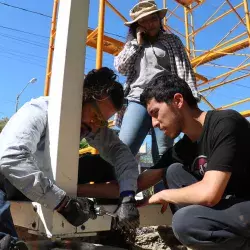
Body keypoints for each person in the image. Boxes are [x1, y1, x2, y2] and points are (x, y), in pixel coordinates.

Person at [0, 67, 139, 250]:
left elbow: (120, 153)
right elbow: (10, 157)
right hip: (13, 180)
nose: (94, 125)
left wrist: (128, 196)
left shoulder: (89, 123)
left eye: (101, 122)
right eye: (95, 116)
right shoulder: (39, 110)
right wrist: (62, 203)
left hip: (53, 180)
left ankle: (113, 234)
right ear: (82, 97)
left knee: (102, 165)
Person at [137, 71, 250, 249]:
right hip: (233, 208)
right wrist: (80, 187)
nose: (154, 123)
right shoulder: (185, 147)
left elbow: (209, 194)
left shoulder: (226, 123)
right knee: (173, 171)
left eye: (155, 112)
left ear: (178, 101)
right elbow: (141, 181)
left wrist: (163, 194)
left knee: (186, 222)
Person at [114, 0, 199, 171]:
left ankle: (163, 196)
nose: (149, 24)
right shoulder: (132, 44)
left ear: (159, 20)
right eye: (143, 21)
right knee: (124, 147)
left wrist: (191, 98)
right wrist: (137, 43)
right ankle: (115, 193)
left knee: (163, 151)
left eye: (152, 19)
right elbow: (120, 67)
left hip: (165, 99)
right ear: (137, 25)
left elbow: (183, 68)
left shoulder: (171, 40)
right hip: (137, 98)